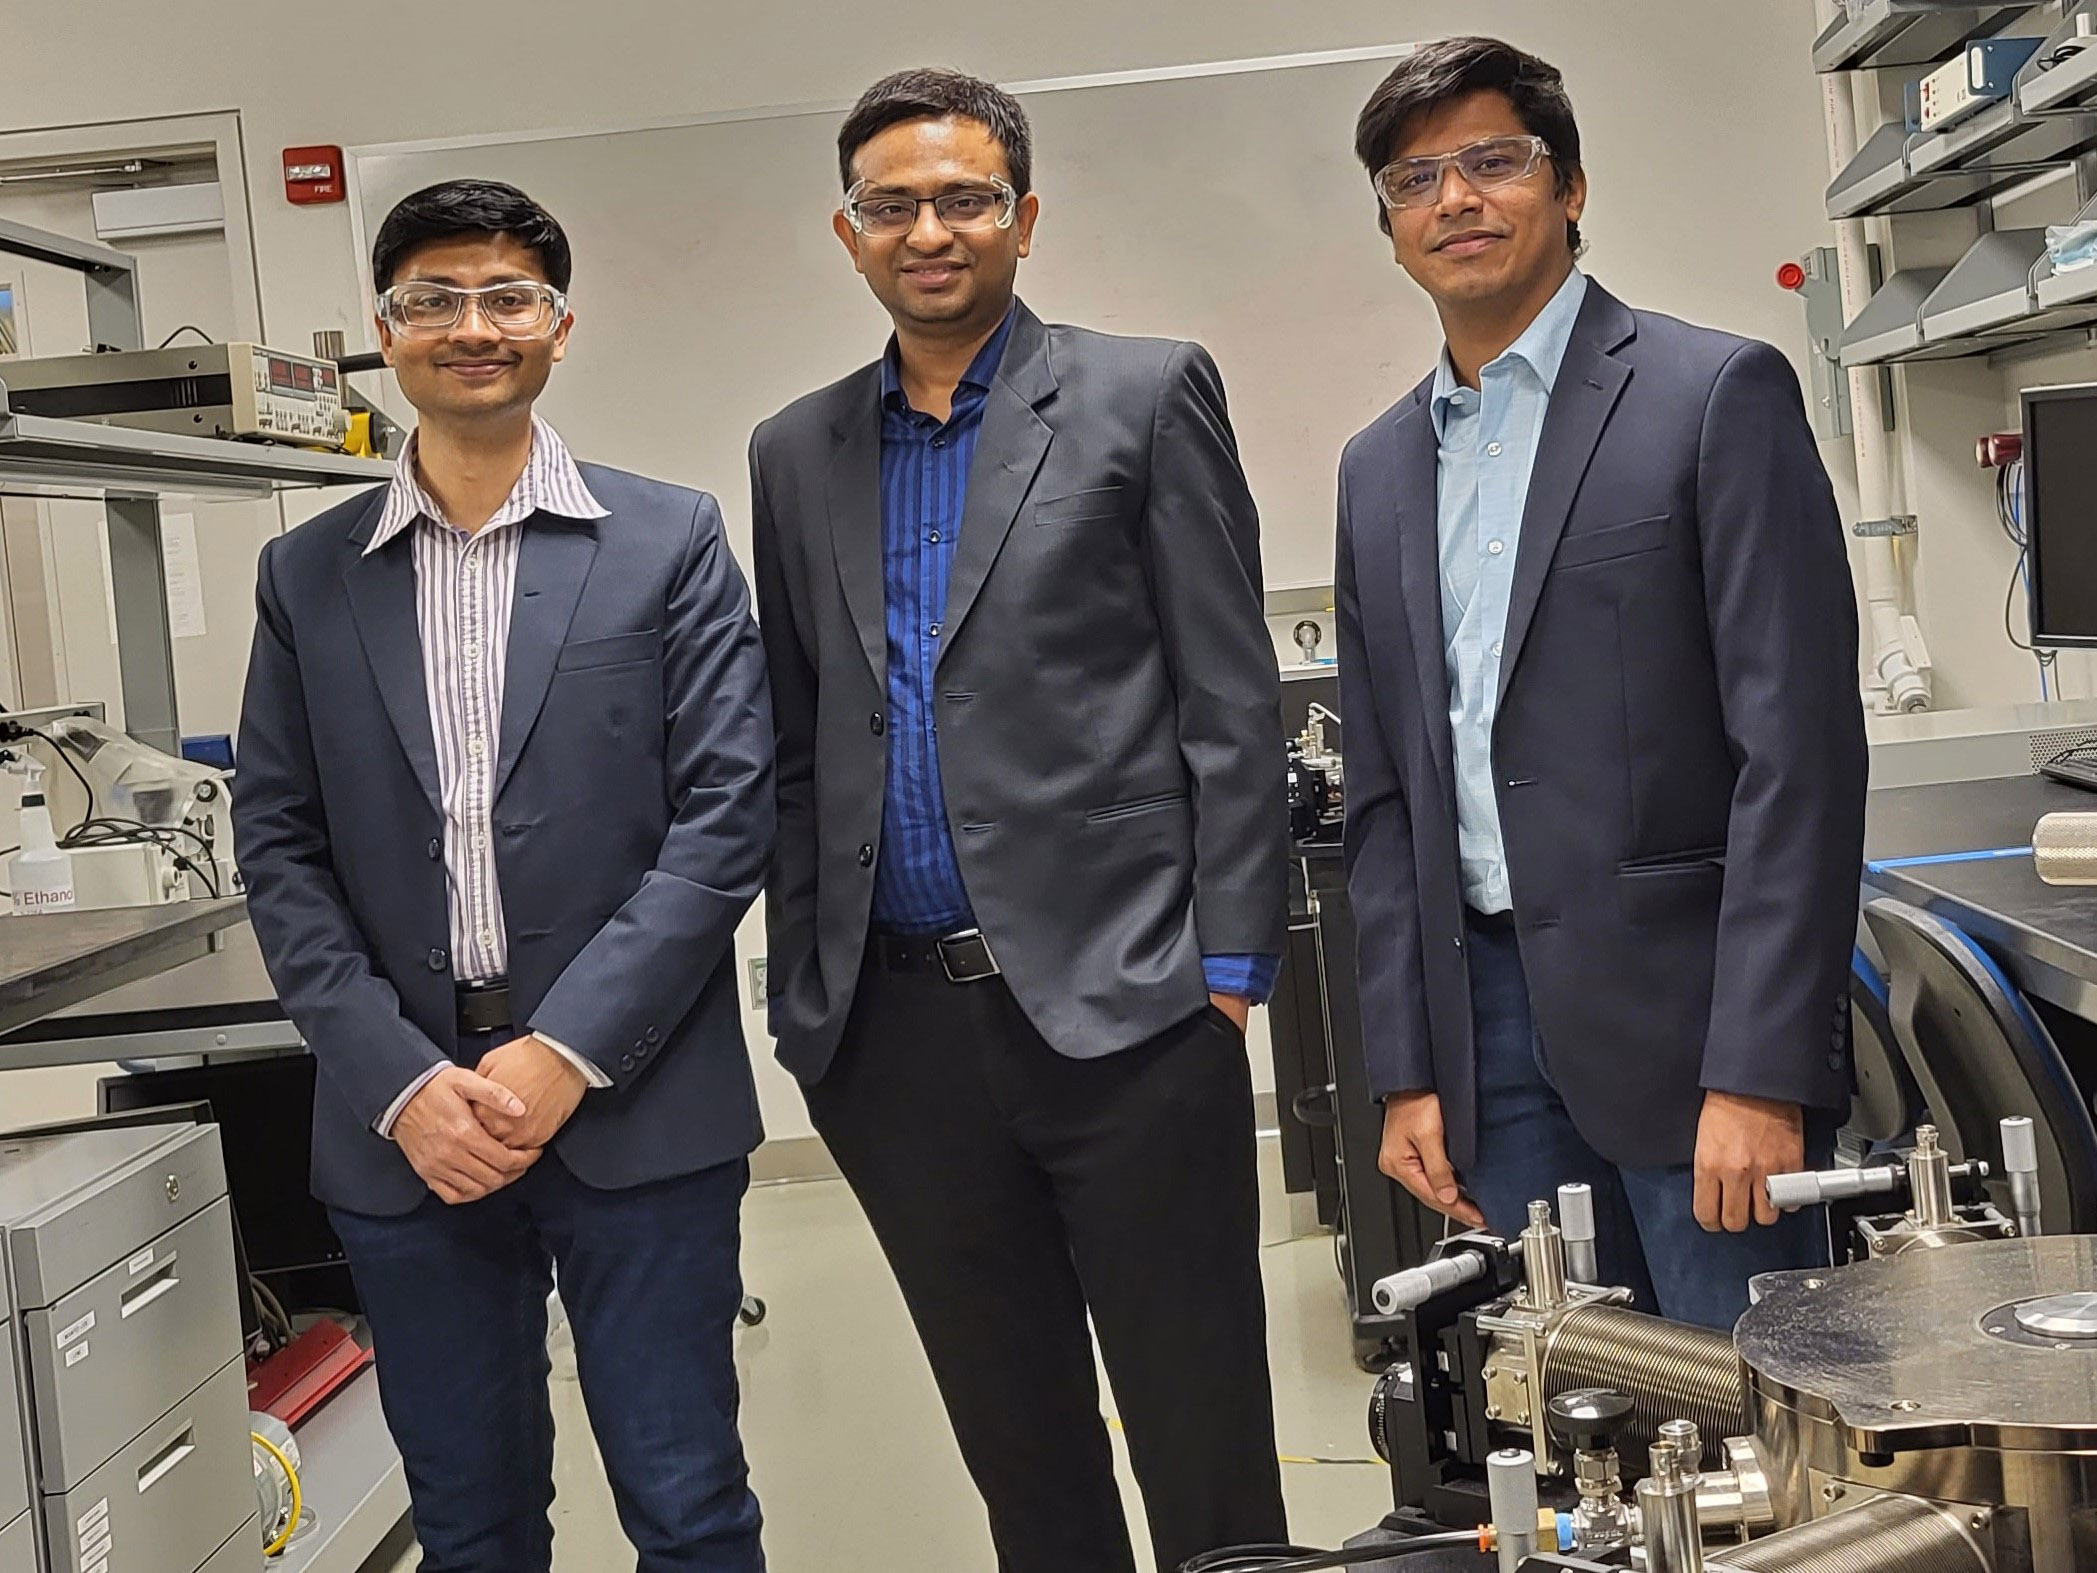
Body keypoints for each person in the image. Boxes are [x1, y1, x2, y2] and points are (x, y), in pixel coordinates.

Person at [750, 67, 1290, 1573]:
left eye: (965, 198)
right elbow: (795, 747)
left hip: (1132, 1010)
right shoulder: (796, 453)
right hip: (899, 1037)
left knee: (1199, 1427)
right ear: (848, 233)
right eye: (894, 204)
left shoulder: (1139, 390)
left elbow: (1227, 706)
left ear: (1024, 217)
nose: (931, 229)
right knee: (1017, 1442)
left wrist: (1228, 976)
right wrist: (812, 1008)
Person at [233, 179, 772, 1573]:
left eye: (507, 297)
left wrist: (568, 1048)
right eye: (434, 299)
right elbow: (279, 841)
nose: (473, 326)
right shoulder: (307, 577)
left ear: (558, 324)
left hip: (636, 1106)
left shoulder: (668, 540)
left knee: (689, 1498)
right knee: (468, 1522)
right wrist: (402, 1084)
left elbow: (726, 815)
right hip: (402, 1126)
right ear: (385, 330)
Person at [1334, 38, 1867, 1330]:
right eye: (1415, 179)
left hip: (1691, 1035)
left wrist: (1759, 1066)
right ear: (1392, 228)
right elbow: (1386, 799)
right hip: (1487, 1035)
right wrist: (1409, 1070)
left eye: (1490, 161)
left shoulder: (1709, 394)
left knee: (1758, 1412)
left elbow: (1794, 757)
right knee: (1586, 1417)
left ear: (1568, 187)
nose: (1453, 199)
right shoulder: (1377, 468)